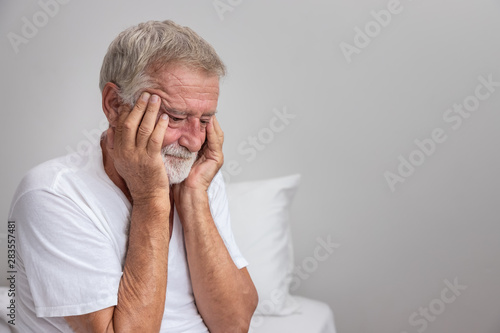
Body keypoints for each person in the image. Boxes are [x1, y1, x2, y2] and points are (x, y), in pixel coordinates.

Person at [9, 20, 258, 332]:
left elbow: (234, 325)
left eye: (205, 119)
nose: (194, 141)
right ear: (114, 105)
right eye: (177, 117)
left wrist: (194, 198)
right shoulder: (51, 194)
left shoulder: (192, 174)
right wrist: (150, 199)